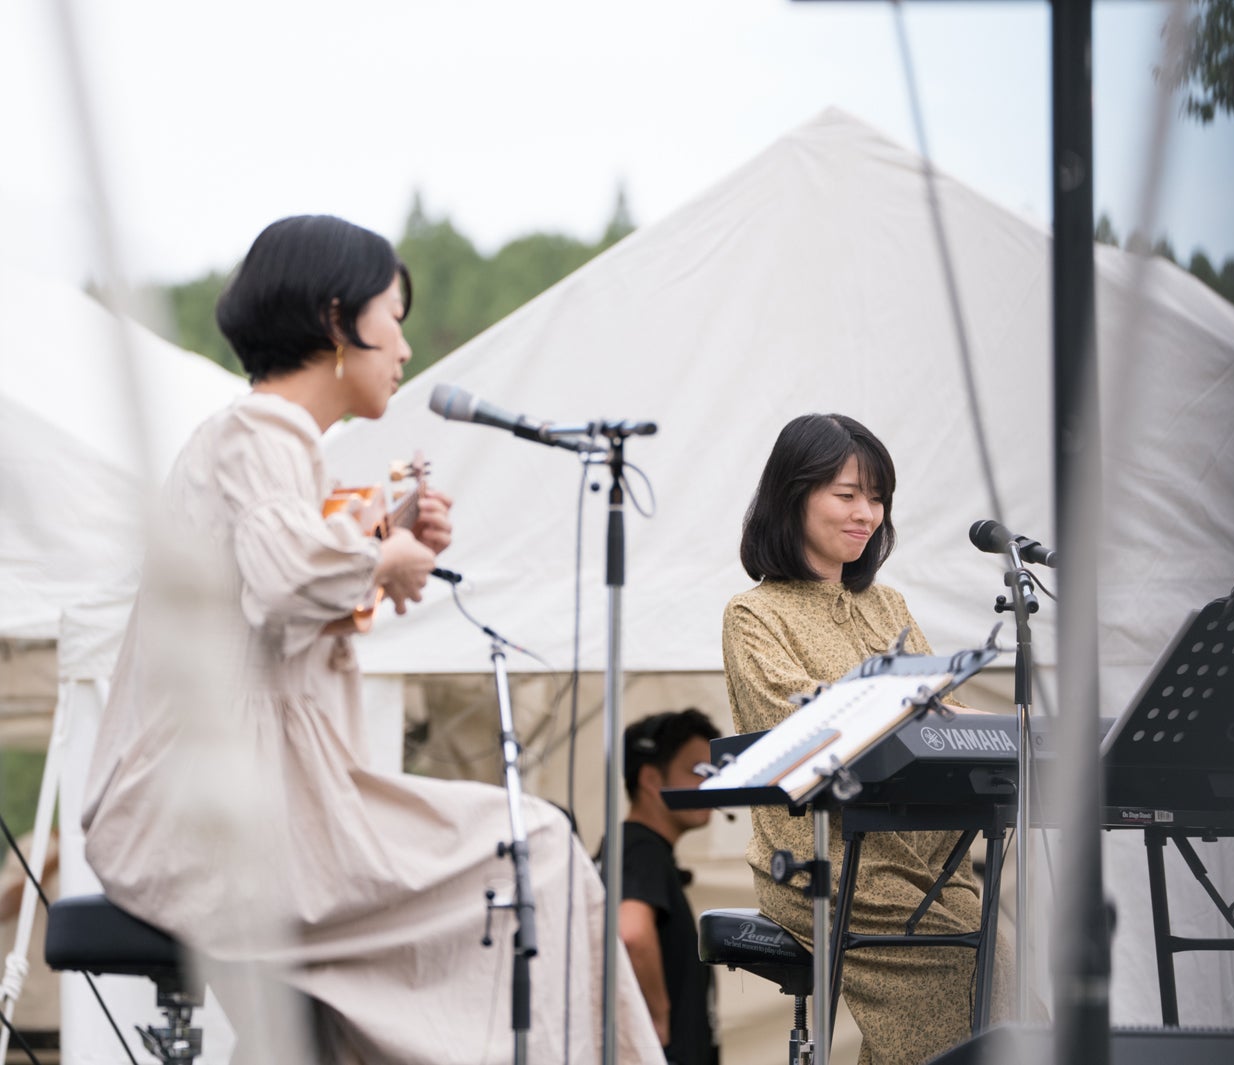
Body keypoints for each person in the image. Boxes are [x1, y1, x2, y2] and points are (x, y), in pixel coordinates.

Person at [80, 215, 662, 1064]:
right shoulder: (260, 432)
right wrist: (381, 554)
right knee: (537, 848)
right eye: (393, 316)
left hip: (241, 799)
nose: (405, 346)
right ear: (334, 320)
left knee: (336, 1022)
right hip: (219, 814)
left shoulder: (268, 443)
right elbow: (283, 577)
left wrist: (377, 543)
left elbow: (272, 591)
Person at [721, 412, 1010, 1064]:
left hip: (927, 867)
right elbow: (797, 721)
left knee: (1004, 965)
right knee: (966, 988)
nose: (867, 513)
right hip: (828, 861)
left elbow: (946, 715)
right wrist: (907, 705)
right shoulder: (753, 612)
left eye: (876, 497)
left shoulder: (890, 605)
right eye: (847, 494)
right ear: (793, 496)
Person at [617, 709, 722, 1065]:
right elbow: (631, 931)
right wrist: (659, 1021)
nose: (709, 783)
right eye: (697, 771)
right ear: (650, 778)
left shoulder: (637, 847)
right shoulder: (640, 846)